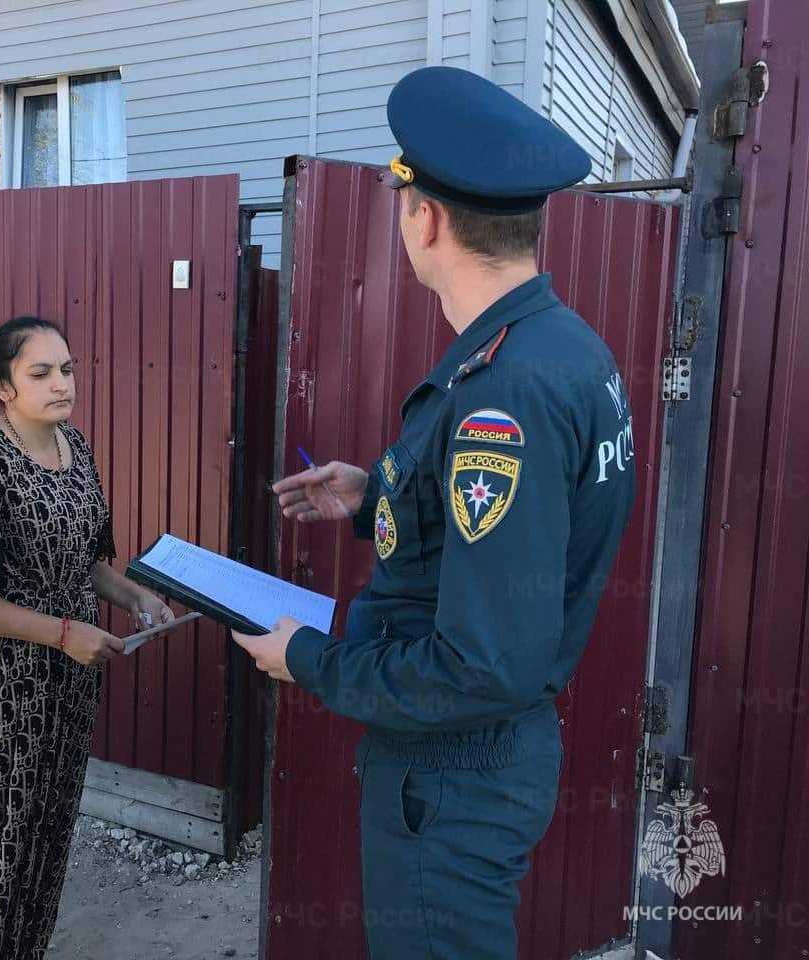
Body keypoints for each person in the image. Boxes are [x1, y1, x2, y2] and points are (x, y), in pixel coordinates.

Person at [233, 66, 637, 959]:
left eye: (400, 194)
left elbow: (482, 665)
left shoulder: (508, 389)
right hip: (478, 762)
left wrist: (308, 660)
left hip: (453, 770)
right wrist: (373, 491)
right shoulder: (563, 348)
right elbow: (513, 518)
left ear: (426, 219)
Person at [0, 315, 172, 960]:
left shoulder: (74, 449)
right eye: (41, 373)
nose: (62, 383)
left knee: (43, 847)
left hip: (66, 689)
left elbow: (87, 561)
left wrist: (134, 594)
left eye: (67, 369)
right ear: (2, 387)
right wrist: (60, 633)